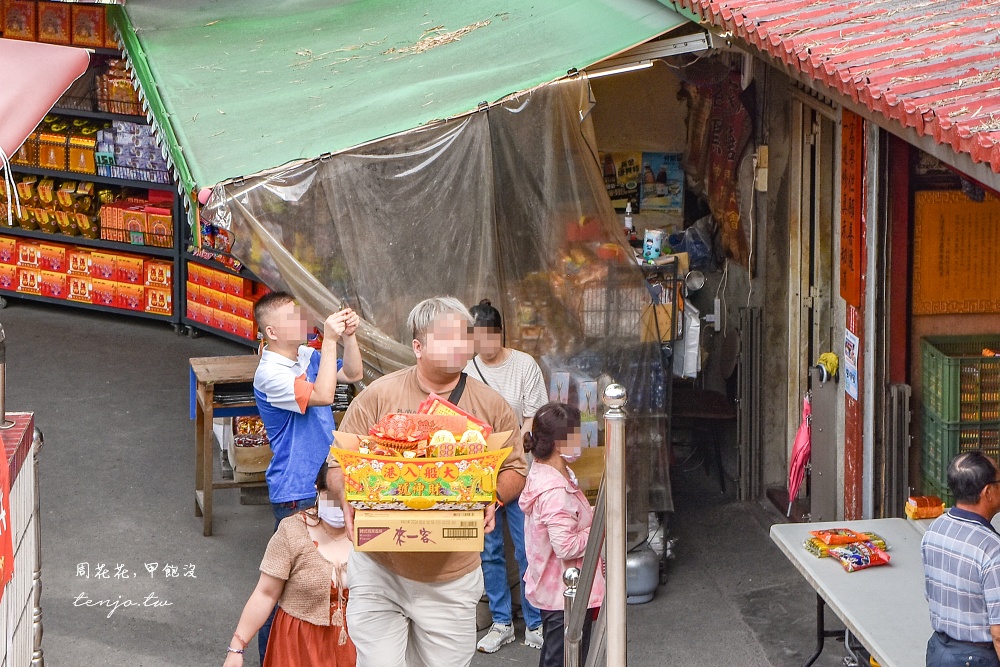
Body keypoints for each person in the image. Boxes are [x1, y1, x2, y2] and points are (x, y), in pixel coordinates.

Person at [329, 296, 528, 667]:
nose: (461, 344)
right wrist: (348, 496)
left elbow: (515, 470)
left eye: (465, 335)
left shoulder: (491, 404)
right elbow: (337, 464)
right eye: (447, 336)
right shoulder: (379, 396)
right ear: (417, 347)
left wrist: (493, 497)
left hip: (451, 575)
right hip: (379, 565)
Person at [252, 292, 362, 661]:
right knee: (283, 586)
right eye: (290, 315)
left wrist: (348, 336)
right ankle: (269, 654)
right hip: (295, 489)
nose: (301, 318)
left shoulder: (305, 355)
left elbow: (353, 374)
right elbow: (325, 394)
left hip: (325, 482)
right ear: (271, 330)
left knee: (327, 582)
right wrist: (329, 340)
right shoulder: (269, 373)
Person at [465, 299, 547, 652]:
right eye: (478, 338)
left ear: (501, 333)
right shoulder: (465, 370)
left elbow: (532, 414)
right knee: (490, 550)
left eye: (491, 336)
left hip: (517, 469)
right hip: (481, 472)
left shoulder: (524, 365)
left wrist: (523, 441)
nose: (486, 344)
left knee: (527, 548)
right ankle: (500, 622)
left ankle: (535, 621)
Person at [223, 463, 356, 667]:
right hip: (299, 647)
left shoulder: (372, 534)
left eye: (348, 500)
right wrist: (237, 647)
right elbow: (266, 593)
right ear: (317, 490)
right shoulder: (292, 531)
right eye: (333, 498)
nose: (341, 507)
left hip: (357, 644)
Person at [520, 403, 605, 667]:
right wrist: (599, 528)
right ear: (559, 442)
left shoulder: (547, 472)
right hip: (565, 594)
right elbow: (566, 546)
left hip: (553, 586)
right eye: (576, 433)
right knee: (563, 660)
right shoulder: (554, 490)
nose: (580, 439)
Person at [922, 451, 1000, 667]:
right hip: (976, 659)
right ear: (988, 492)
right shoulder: (992, 549)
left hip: (938, 652)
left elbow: (931, 594)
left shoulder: (935, 529)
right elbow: (999, 633)